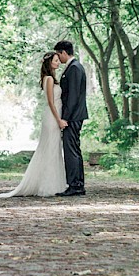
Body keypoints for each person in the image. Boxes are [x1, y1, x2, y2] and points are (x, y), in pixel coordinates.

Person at [0, 52, 67, 198]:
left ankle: (54, 183)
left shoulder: (53, 79)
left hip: (56, 115)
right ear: (49, 63)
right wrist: (59, 120)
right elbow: (50, 102)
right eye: (55, 61)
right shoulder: (48, 79)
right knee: (50, 148)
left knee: (54, 149)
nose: (58, 63)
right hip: (51, 117)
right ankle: (48, 186)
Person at [54, 40, 87, 196]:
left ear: (64, 53)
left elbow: (72, 96)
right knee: (75, 149)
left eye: (58, 55)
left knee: (70, 151)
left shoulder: (74, 68)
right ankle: (78, 184)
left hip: (73, 116)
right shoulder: (76, 67)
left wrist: (64, 118)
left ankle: (74, 185)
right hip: (76, 115)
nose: (58, 59)